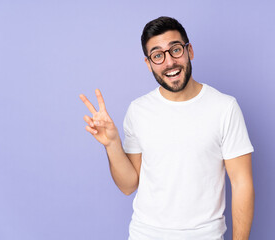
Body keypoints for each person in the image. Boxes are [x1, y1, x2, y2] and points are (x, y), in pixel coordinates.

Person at [79, 16, 255, 240]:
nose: (169, 62)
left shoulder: (225, 108)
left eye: (176, 50)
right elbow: (128, 185)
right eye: (158, 55)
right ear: (149, 63)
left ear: (189, 50)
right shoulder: (138, 110)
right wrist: (112, 144)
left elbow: (242, 184)